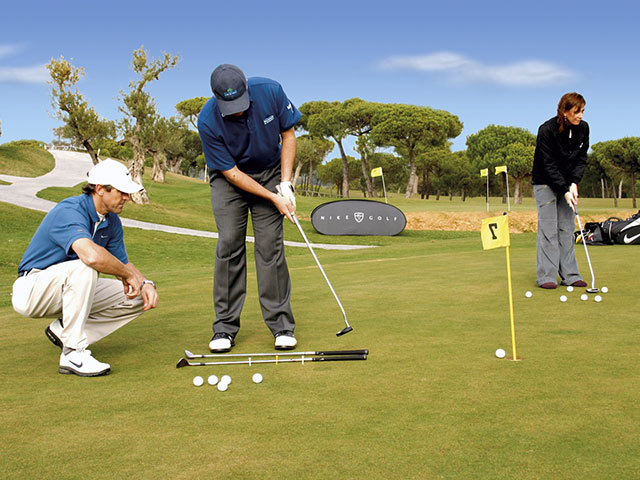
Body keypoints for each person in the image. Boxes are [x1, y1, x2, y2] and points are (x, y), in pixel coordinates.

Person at [11, 159, 159, 376]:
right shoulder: (69, 210)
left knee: (137, 296)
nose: (127, 197)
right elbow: (90, 256)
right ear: (100, 189)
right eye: (121, 192)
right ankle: (73, 353)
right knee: (87, 265)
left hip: (72, 287)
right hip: (33, 289)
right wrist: (128, 275)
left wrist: (144, 283)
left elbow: (123, 263)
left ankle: (64, 333)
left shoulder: (112, 221)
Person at [197, 64, 300, 352]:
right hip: (230, 180)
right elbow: (231, 173)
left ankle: (281, 326)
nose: (238, 111)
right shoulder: (207, 120)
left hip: (269, 170)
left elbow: (288, 135)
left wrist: (285, 183)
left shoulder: (270, 91)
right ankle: (224, 329)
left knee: (270, 247)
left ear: (246, 87)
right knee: (229, 243)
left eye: (241, 103)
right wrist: (271, 198)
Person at [531, 92, 589, 289]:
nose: (580, 115)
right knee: (549, 230)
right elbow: (548, 165)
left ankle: (571, 275)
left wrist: (573, 183)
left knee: (566, 228)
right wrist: (564, 189)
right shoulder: (547, 130)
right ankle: (546, 276)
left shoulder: (583, 129)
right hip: (545, 182)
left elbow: (581, 159)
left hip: (566, 183)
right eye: (576, 111)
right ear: (565, 111)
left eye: (582, 111)